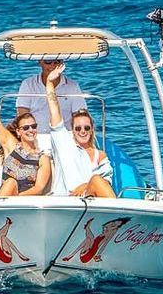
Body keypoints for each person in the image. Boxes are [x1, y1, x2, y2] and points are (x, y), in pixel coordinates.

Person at [42, 64, 115, 198]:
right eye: (78, 128)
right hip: (68, 200)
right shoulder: (64, 143)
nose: (82, 131)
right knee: (96, 179)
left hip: (92, 200)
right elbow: (54, 110)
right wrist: (49, 83)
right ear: (73, 130)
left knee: (97, 180)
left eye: (86, 128)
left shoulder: (100, 156)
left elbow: (105, 183)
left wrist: (86, 186)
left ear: (92, 130)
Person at [15, 59, 86, 152]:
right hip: (35, 136)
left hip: (66, 138)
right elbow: (22, 116)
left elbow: (80, 116)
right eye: (48, 61)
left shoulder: (73, 86)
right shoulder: (28, 84)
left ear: (62, 63)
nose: (53, 65)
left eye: (57, 61)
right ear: (40, 62)